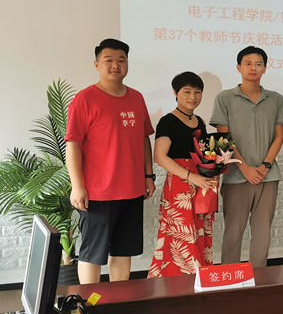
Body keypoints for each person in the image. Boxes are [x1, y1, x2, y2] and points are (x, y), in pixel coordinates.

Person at [66, 38, 155, 284]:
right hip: (98, 193)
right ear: (97, 65)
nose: (116, 65)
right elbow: (72, 143)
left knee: (123, 251)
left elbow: (144, 138)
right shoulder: (85, 99)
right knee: (92, 253)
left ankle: (118, 300)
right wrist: (77, 186)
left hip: (132, 190)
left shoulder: (136, 97)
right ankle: (89, 302)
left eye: (121, 60)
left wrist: (148, 176)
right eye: (109, 60)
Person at [210, 46, 283, 267]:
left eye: (258, 64)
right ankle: (230, 279)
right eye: (247, 63)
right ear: (239, 67)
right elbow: (223, 137)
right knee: (233, 233)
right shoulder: (225, 98)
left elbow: (279, 137)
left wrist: (265, 166)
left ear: (265, 68)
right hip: (236, 175)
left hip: (268, 176)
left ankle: (259, 279)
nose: (253, 68)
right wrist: (244, 167)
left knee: (263, 235)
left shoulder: (275, 99)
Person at [148, 72, 219, 277]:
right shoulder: (167, 121)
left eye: (197, 92)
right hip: (179, 185)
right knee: (179, 235)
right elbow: (159, 156)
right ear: (175, 93)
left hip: (201, 183)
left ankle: (199, 279)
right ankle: (176, 281)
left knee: (200, 232)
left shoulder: (200, 121)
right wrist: (190, 176)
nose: (192, 97)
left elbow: (206, 154)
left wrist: (214, 173)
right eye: (187, 92)